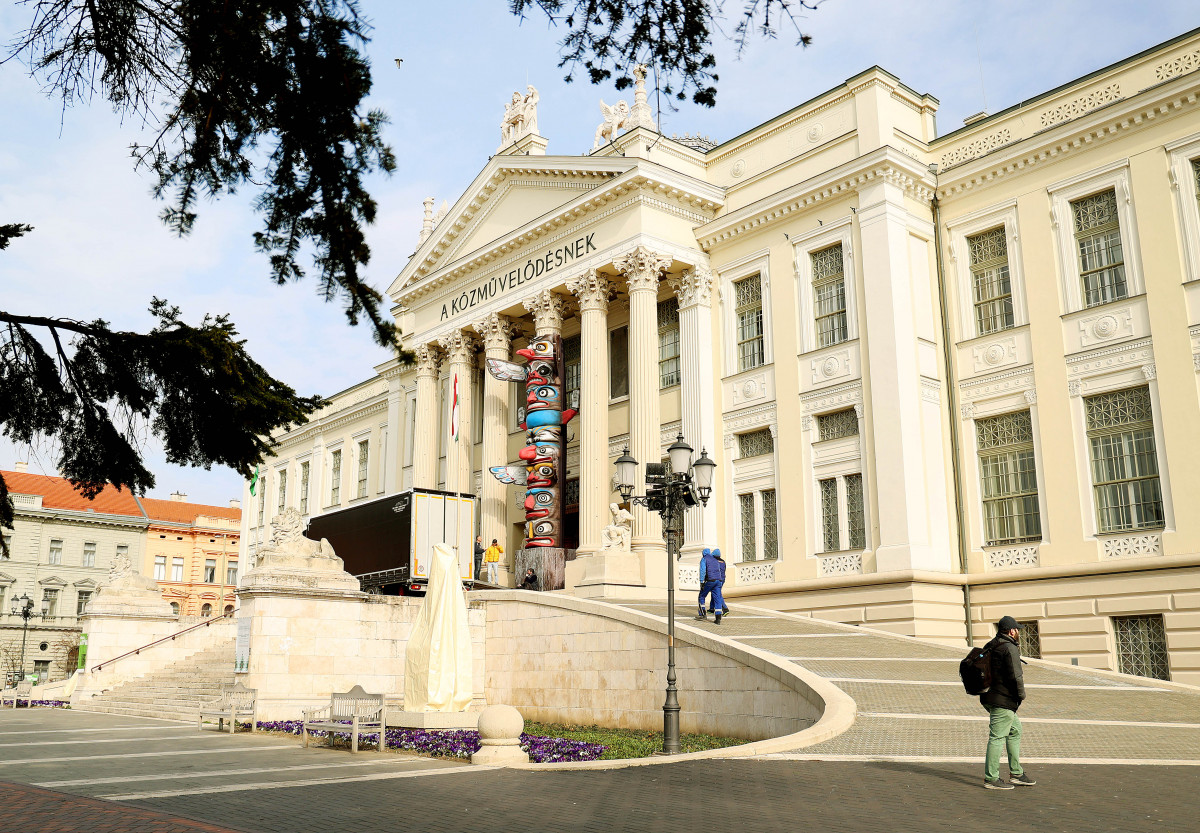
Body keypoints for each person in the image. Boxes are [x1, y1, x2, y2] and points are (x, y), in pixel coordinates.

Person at [981, 615, 1035, 790]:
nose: (1018, 632)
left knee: (1014, 730)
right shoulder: (1009, 648)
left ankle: (1016, 773)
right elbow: (1016, 675)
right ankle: (991, 778)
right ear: (1011, 631)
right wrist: (1021, 695)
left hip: (990, 697)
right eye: (1017, 629)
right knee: (997, 737)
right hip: (1002, 700)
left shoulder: (992, 644)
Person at [695, 548, 725, 624]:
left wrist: (702, 582)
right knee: (717, 598)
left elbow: (703, 570)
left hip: (710, 580)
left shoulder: (704, 559)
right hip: (718, 581)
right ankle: (718, 618)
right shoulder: (715, 560)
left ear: (703, 553)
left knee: (701, 596)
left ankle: (702, 614)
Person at [708, 548, 730, 618]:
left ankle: (725, 609)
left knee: (717, 594)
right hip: (722, 579)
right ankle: (711, 609)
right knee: (714, 593)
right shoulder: (723, 561)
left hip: (716, 579)